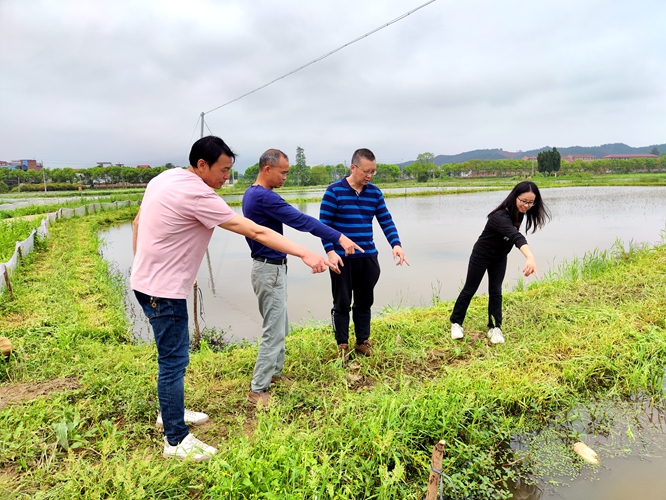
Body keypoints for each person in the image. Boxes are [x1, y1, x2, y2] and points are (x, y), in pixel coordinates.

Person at [131, 136, 333, 462]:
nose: (227, 177)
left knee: (171, 359)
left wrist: (144, 268)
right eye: (223, 170)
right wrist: (305, 253)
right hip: (163, 292)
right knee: (173, 362)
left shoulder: (165, 178)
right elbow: (255, 231)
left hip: (147, 284)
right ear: (202, 165)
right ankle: (175, 440)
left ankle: (171, 412)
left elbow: (138, 222)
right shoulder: (199, 194)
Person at [242, 149, 363, 405]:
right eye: (283, 172)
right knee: (274, 330)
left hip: (271, 267)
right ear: (267, 169)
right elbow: (301, 220)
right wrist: (338, 236)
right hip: (268, 270)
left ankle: (274, 374)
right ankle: (257, 390)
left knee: (280, 326)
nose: (285, 177)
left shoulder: (253, 193)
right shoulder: (264, 197)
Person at [319, 148, 409, 363]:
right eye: (366, 171)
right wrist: (330, 252)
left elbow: (386, 220)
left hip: (368, 257)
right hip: (341, 258)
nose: (369, 176)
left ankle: (362, 341)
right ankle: (342, 345)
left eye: (373, 172)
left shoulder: (374, 193)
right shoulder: (334, 191)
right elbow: (323, 226)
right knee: (342, 303)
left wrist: (396, 244)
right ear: (353, 167)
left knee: (364, 301)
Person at [449, 181, 551, 344]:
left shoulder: (519, 213)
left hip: (500, 257)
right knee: (470, 289)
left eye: (531, 202)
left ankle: (495, 327)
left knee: (496, 291)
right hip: (481, 255)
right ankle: (456, 323)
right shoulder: (500, 217)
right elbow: (516, 237)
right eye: (523, 201)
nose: (526, 205)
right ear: (514, 196)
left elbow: (513, 236)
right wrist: (530, 257)